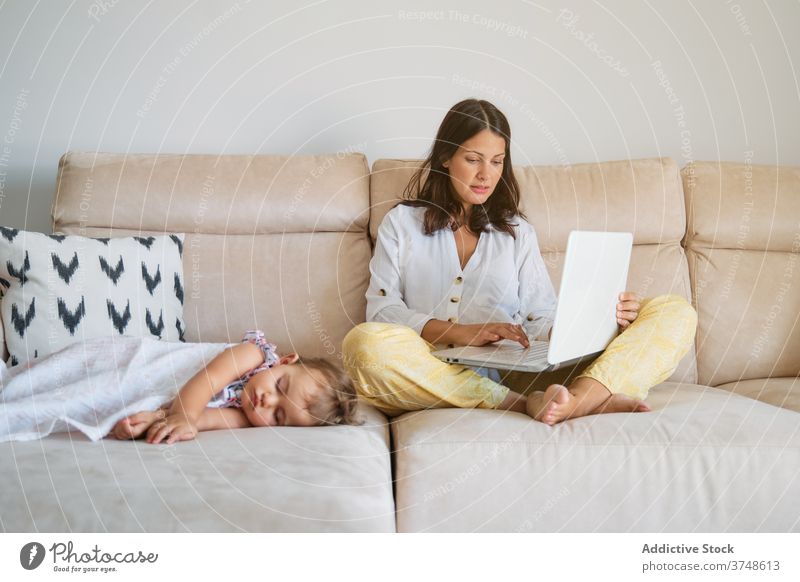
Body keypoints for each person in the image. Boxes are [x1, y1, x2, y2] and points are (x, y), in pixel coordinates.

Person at [342, 98, 697, 425]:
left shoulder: (516, 232)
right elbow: (382, 310)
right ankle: (515, 403)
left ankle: (579, 399)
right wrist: (462, 333)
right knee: (363, 346)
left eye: (497, 162)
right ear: (445, 157)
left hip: (520, 370)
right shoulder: (402, 224)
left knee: (675, 311)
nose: (486, 175)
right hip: (430, 370)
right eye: (473, 159)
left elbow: (538, 314)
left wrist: (595, 324)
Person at [110, 331, 361, 444]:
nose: (267, 401)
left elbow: (204, 419)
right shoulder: (253, 355)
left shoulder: (248, 418)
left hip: (174, 399)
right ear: (284, 361)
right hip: (148, 362)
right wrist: (183, 416)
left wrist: (157, 420)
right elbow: (207, 380)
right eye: (280, 386)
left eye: (278, 415)